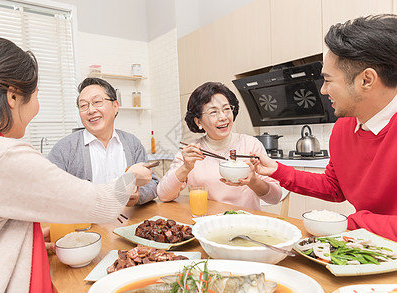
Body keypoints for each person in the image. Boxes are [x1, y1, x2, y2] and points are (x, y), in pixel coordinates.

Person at [0, 33, 152, 293]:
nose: (37, 106)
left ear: (115, 107)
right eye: (35, 95)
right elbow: (103, 204)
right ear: (12, 96)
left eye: (98, 102)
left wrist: (24, 241)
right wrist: (132, 177)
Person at [252, 14, 397, 241]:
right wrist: (276, 170)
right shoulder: (343, 128)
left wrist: (349, 223)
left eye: (328, 80)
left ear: (366, 80)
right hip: (366, 245)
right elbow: (334, 186)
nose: (323, 90)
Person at [157, 82, 281, 210]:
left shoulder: (251, 145)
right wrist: (185, 168)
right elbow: (163, 195)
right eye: (213, 112)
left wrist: (254, 181)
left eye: (227, 109)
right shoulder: (192, 151)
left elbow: (275, 198)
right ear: (198, 121)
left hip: (245, 224)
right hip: (207, 224)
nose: (223, 117)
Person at [47, 77, 159, 206]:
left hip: (128, 222)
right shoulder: (64, 148)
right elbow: (49, 191)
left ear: (115, 106)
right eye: (83, 105)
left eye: (97, 102)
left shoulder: (132, 143)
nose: (91, 110)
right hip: (86, 223)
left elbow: (153, 183)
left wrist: (138, 195)